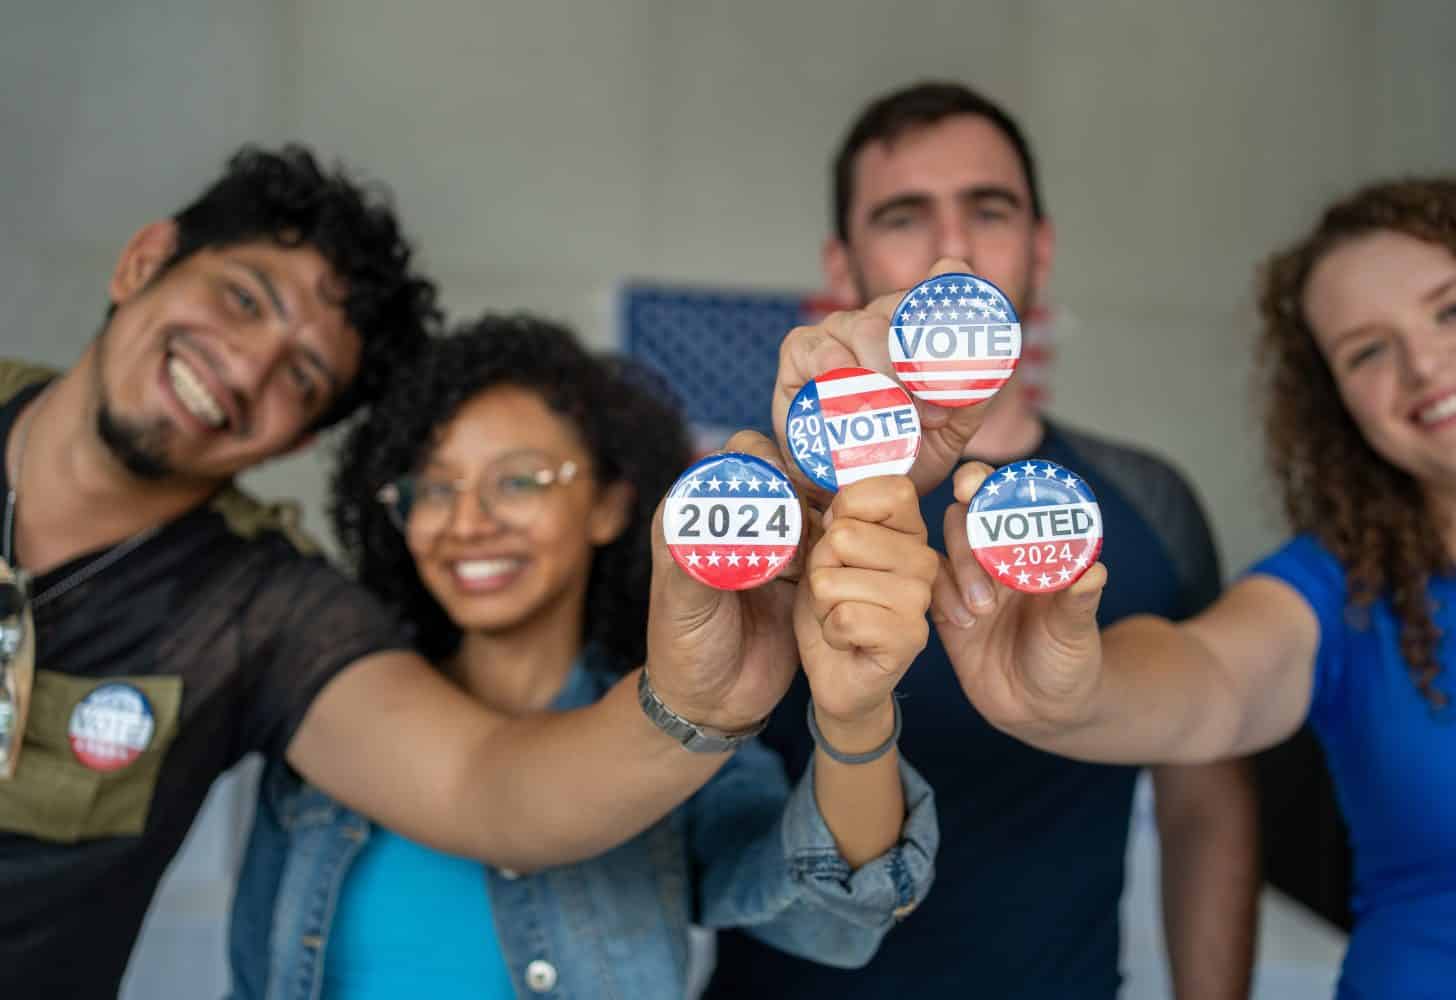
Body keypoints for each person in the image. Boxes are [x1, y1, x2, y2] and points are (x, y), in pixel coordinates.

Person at [0, 146, 865, 998]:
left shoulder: (271, 616)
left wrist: (704, 704)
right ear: (144, 261)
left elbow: (486, 786)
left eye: (302, 376)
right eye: (240, 298)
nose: (247, 364)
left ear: (298, 439)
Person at [709, 81, 1258, 998]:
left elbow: (1203, 801)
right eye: (904, 215)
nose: (953, 250)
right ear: (842, 265)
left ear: (1040, 247)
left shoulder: (1149, 500)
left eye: (989, 210)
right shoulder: (769, 506)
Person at [228, 315, 938, 998]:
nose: (468, 522)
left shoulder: (685, 735)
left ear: (608, 504)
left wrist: (855, 718)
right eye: (435, 488)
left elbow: (832, 914)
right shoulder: (330, 720)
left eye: (518, 480)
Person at [934, 176, 1456, 999]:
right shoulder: (1339, 588)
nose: (1423, 364)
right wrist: (1070, 688)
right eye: (1367, 350)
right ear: (1338, 404)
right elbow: (1208, 676)